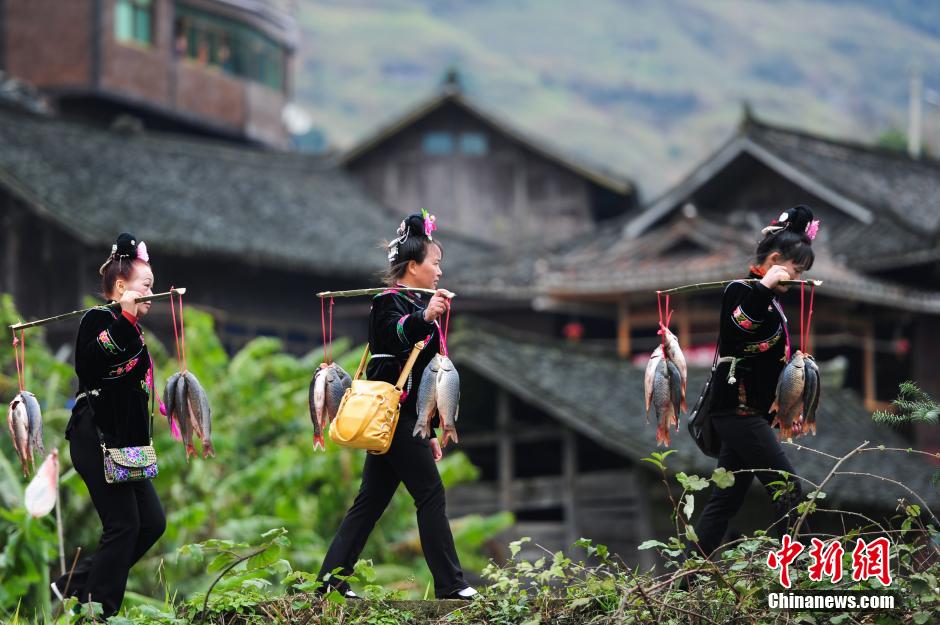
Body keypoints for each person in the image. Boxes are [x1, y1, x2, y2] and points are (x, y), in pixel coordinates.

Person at [317, 212, 477, 600]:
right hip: (394, 412)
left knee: (370, 501)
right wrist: (424, 317)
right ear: (413, 266)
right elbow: (392, 338)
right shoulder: (386, 303)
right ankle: (450, 585)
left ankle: (329, 581)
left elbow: (427, 375)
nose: (439, 272)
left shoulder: (418, 304)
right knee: (430, 494)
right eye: (435, 263)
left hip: (406, 417)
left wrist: (431, 428)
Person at [693, 205, 818, 559]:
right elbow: (737, 333)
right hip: (737, 412)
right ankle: (802, 569)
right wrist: (764, 287)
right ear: (775, 260)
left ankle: (684, 576)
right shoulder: (741, 290)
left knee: (726, 500)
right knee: (788, 487)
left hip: (752, 415)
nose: (795, 280)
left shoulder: (771, 301)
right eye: (794, 271)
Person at [51, 233, 166, 617]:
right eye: (146, 286)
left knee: (151, 522)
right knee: (124, 526)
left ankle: (77, 582)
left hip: (127, 443)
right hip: (96, 435)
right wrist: (127, 316)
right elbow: (91, 366)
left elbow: (133, 383)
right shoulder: (99, 319)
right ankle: (100, 612)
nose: (152, 293)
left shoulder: (131, 328)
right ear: (121, 287)